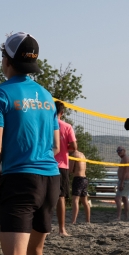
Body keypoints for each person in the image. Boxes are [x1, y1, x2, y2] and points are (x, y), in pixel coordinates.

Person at [0, 32, 60, 255]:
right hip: (50, 179)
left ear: (7, 60)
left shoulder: (0, 94)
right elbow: (55, 145)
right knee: (35, 251)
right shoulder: (47, 96)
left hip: (20, 180)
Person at [54, 101, 76, 236]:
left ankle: (40, 228)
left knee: (43, 197)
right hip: (61, 165)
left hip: (45, 163)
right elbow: (74, 146)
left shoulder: (43, 124)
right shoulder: (66, 126)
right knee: (61, 197)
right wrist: (64, 148)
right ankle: (62, 229)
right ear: (62, 113)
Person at [69, 149, 90, 224]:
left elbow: (70, 170)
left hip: (78, 179)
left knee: (75, 200)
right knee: (85, 201)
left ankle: (73, 221)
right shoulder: (82, 154)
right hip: (84, 179)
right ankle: (88, 220)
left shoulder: (74, 155)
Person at [115, 146, 129, 221]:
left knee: (118, 198)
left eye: (120, 150)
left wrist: (121, 183)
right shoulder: (124, 158)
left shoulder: (125, 158)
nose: (118, 152)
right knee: (125, 199)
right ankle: (126, 217)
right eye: (117, 151)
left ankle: (119, 217)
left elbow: (125, 171)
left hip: (124, 181)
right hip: (125, 180)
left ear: (124, 150)